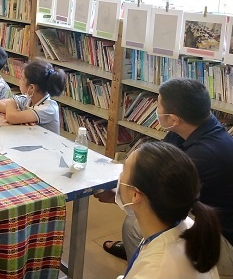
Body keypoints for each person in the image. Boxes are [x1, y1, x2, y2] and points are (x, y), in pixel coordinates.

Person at [100, 78, 233, 278]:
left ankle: (144, 264)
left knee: (134, 224)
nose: (156, 110)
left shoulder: (201, 156)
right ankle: (139, 251)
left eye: (158, 105)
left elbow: (155, 197)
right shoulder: (192, 126)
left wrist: (119, 195)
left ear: (173, 119)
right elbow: (156, 158)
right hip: (205, 216)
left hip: (225, 241)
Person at [114, 141, 221, 278]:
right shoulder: (188, 226)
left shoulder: (154, 271)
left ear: (135, 194)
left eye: (124, 170)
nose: (120, 176)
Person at [0, 58, 65, 133]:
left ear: (31, 88)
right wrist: (17, 112)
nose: (19, 81)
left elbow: (11, 117)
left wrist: (14, 108)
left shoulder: (49, 108)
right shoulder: (27, 99)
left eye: (22, 78)